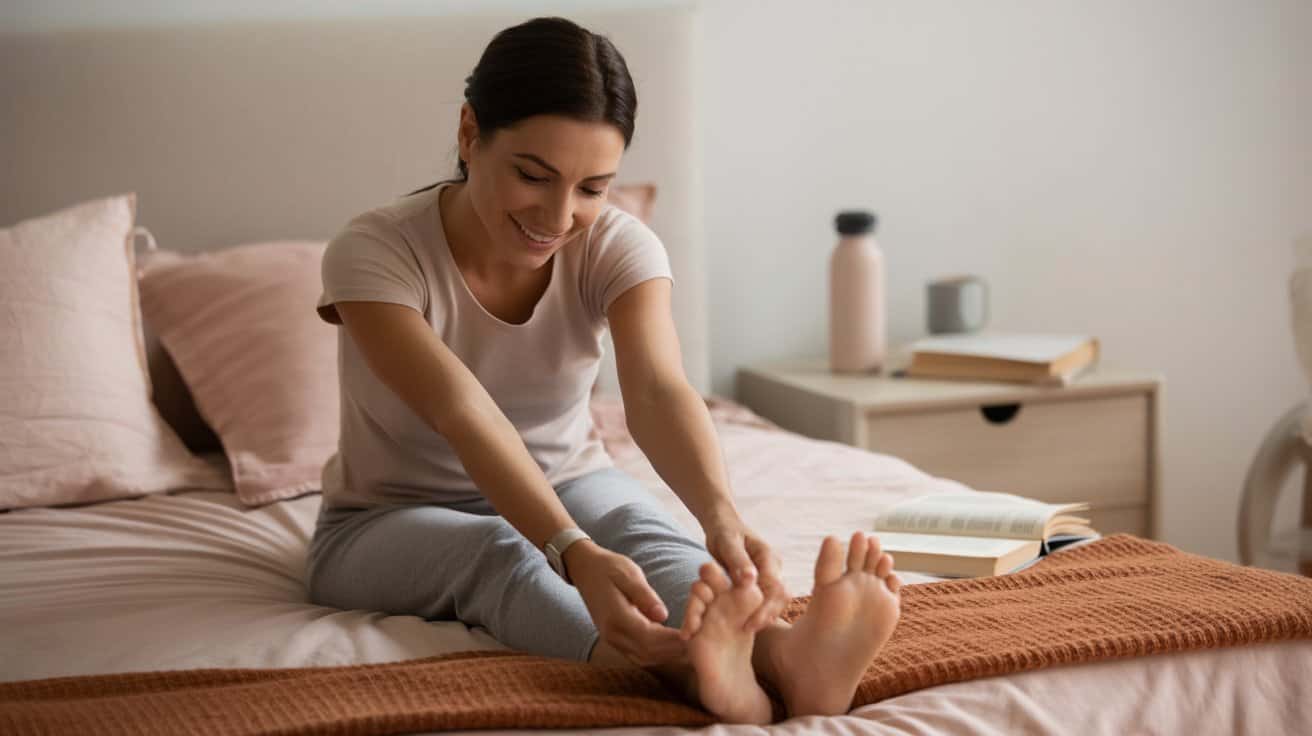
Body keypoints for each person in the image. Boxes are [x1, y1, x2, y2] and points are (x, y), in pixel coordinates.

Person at [304, 16, 903, 724]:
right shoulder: (375, 251)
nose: (558, 216)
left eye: (592, 187)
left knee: (646, 531)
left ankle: (782, 656)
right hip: (382, 519)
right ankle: (687, 674)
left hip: (571, 478)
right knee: (500, 551)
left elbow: (658, 389)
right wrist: (570, 550)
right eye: (533, 176)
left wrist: (721, 519)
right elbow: (462, 412)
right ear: (470, 133)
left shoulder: (619, 246)